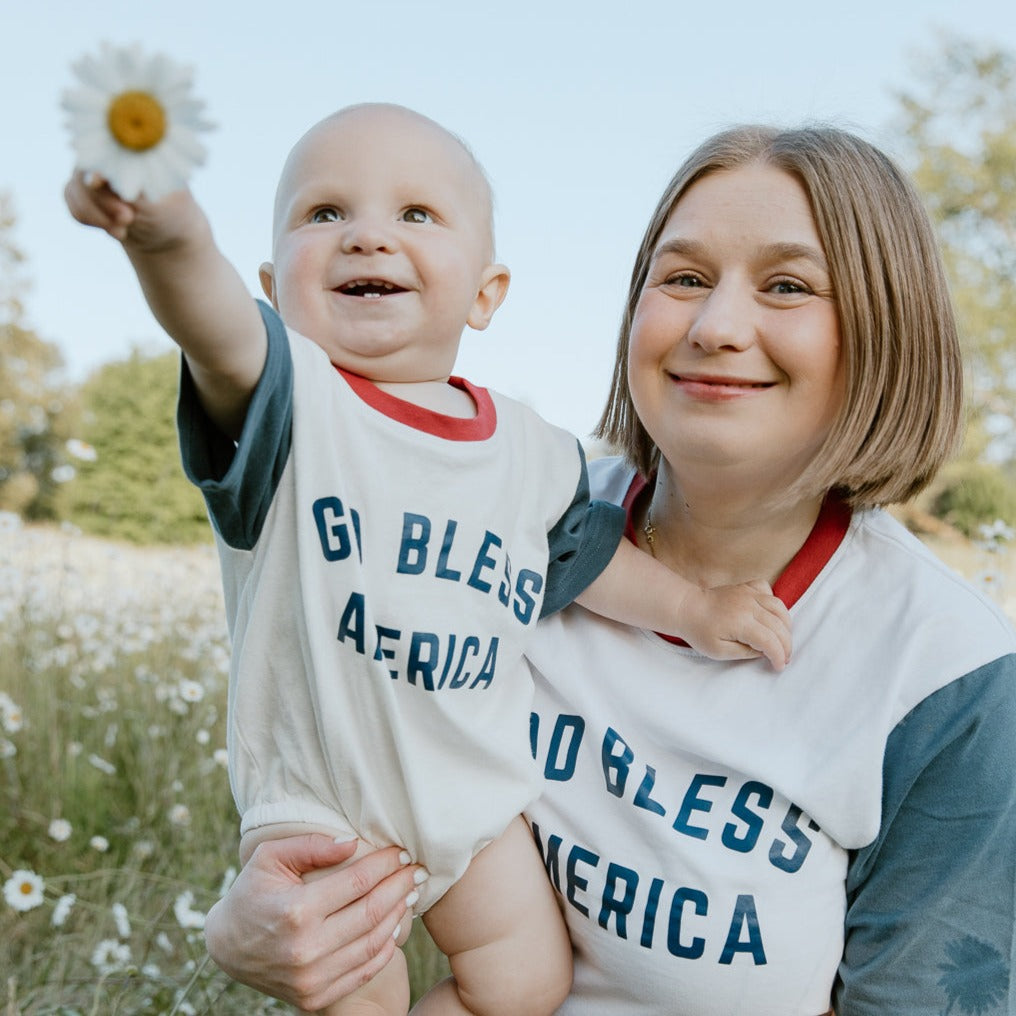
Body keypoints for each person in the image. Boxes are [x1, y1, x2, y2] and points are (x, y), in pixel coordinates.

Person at [202, 123, 1016, 1016]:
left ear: (885, 331)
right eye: (684, 278)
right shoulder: (499, 519)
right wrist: (246, 929)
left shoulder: (949, 675)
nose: (715, 327)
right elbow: (318, 729)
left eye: (787, 286)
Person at [64, 104, 793, 1016]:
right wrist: (166, 236)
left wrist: (697, 610)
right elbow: (211, 325)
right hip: (325, 821)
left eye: (416, 214)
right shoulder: (290, 406)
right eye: (324, 212)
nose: (367, 235)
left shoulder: (529, 452)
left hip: (474, 797)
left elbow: (583, 558)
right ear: (273, 290)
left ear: (486, 294)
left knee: (525, 984)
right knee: (353, 995)